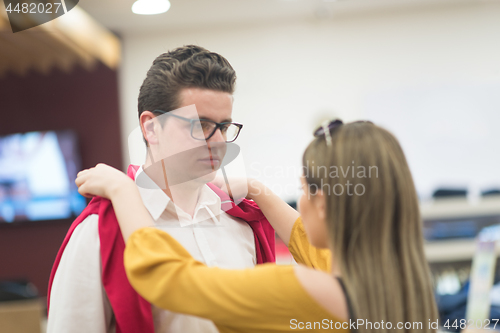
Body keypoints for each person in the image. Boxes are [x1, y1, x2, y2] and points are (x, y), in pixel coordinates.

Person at [75, 120, 439, 333]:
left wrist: (124, 191)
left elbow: (170, 278)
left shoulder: (300, 291)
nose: (300, 203)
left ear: (323, 204)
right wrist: (256, 190)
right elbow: (310, 245)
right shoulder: (402, 293)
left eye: (303, 190)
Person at [47, 45, 275, 333]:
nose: (219, 142)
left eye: (225, 126)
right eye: (202, 125)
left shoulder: (241, 222)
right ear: (150, 128)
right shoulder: (98, 231)